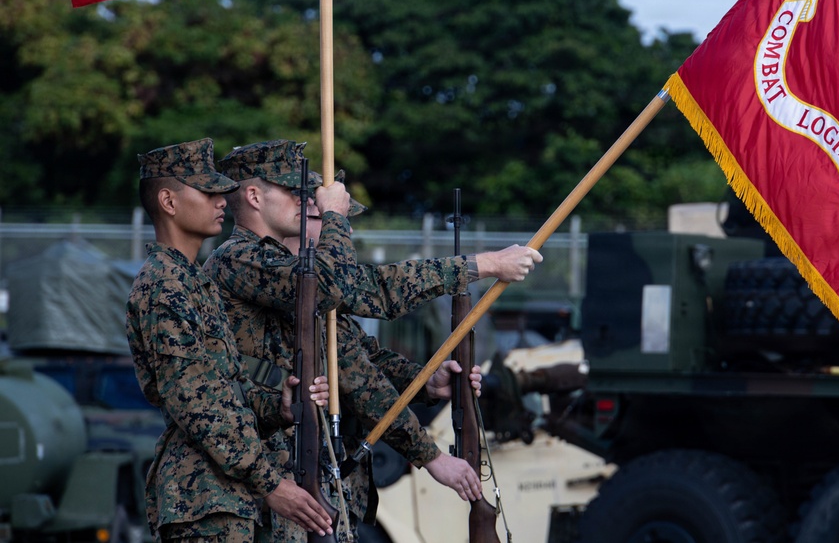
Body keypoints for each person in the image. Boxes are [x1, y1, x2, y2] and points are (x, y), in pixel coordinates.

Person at [203, 139, 543, 540]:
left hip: (309, 476)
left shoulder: (297, 273)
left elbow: (362, 348)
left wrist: (426, 383)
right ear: (255, 196)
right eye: (297, 193)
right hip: (274, 477)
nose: (309, 205)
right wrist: (429, 455)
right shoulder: (240, 259)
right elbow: (351, 347)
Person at [125, 138, 335, 542]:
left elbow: (228, 387)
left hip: (230, 496)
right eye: (208, 191)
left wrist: (280, 406)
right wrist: (271, 483)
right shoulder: (162, 288)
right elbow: (195, 402)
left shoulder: (193, 282)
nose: (223, 199)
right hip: (201, 498)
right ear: (168, 202)